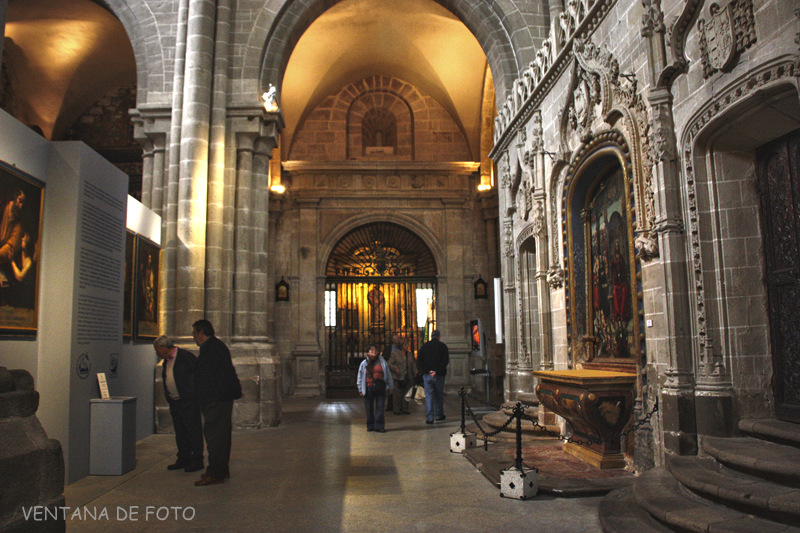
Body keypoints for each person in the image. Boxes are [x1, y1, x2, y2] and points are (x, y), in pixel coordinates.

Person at [191, 319, 242, 486]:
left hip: (216, 400)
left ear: (201, 332)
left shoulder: (213, 349)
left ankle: (216, 473)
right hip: (217, 398)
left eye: (194, 333)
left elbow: (218, 376)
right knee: (219, 436)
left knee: (216, 437)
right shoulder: (214, 347)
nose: (194, 337)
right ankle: (219, 470)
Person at [153, 335, 204, 473]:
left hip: (189, 402)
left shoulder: (185, 357)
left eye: (157, 349)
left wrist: (193, 395)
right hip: (175, 402)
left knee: (193, 431)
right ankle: (183, 458)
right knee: (180, 432)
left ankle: (197, 459)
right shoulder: (166, 361)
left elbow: (199, 376)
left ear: (164, 347)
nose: (156, 352)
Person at [356, 344, 393, 432]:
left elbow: (387, 374)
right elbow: (360, 376)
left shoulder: (383, 362)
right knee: (369, 407)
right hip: (369, 387)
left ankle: (379, 426)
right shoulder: (364, 363)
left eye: (375, 350)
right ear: (368, 352)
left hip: (380, 386)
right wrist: (360, 389)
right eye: (371, 350)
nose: (373, 351)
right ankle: (370, 425)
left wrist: (390, 386)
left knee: (380, 407)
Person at [418, 329, 449, 424]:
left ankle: (430, 418)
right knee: (439, 395)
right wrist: (436, 371)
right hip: (439, 375)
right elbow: (445, 361)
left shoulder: (424, 347)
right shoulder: (443, 346)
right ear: (439, 336)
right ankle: (439, 415)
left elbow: (420, 361)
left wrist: (428, 371)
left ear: (431, 336)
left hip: (427, 375)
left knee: (429, 396)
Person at [388, 335, 416, 415]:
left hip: (407, 376)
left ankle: (405, 408)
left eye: (407, 345)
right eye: (405, 345)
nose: (407, 346)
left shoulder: (409, 354)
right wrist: (395, 369)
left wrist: (415, 373)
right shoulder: (395, 354)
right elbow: (389, 364)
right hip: (398, 377)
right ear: (401, 346)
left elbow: (413, 365)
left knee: (406, 393)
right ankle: (397, 409)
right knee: (397, 394)